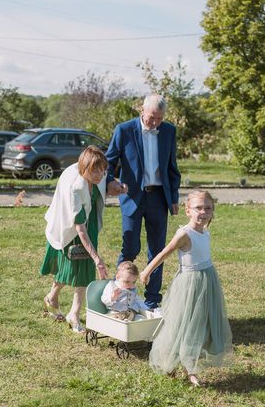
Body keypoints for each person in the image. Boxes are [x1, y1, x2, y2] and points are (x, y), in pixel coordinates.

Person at [139, 189, 232, 387]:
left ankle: (190, 365)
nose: (203, 212)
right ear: (188, 210)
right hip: (189, 285)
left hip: (208, 281)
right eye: (198, 208)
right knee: (183, 324)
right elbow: (164, 253)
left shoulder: (204, 232)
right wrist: (147, 271)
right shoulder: (185, 233)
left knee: (199, 325)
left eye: (208, 208)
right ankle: (174, 364)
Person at [105, 93, 181, 309]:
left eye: (159, 119)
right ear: (142, 112)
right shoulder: (124, 130)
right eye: (151, 118)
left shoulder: (169, 131)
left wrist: (173, 196)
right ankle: (117, 295)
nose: (155, 122)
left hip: (158, 197)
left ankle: (152, 300)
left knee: (157, 250)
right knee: (130, 247)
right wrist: (112, 181)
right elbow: (109, 162)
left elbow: (172, 167)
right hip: (132, 197)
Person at [40, 146, 122, 334]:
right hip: (70, 224)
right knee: (78, 267)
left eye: (102, 169)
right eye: (95, 170)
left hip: (89, 219)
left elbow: (104, 180)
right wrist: (97, 259)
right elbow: (80, 229)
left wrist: (116, 185)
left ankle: (52, 298)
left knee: (76, 267)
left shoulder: (99, 172)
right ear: (83, 169)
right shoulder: (76, 188)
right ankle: (74, 314)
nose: (100, 174)